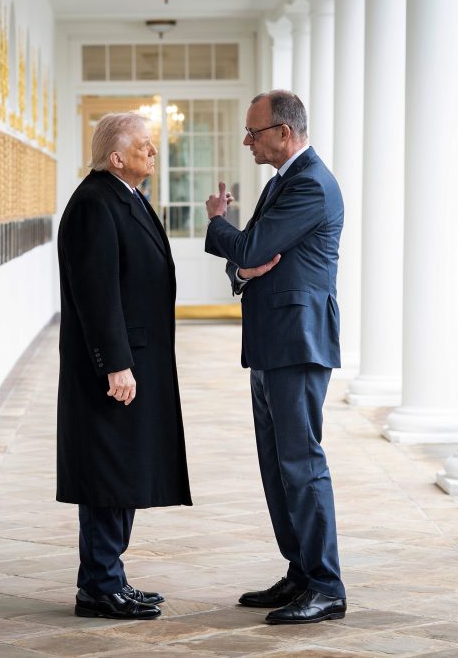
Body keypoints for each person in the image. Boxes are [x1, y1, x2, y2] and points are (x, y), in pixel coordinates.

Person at [204, 90, 346, 625]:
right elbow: (248, 262)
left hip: (298, 342)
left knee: (302, 465)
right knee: (276, 465)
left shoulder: (309, 183)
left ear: (284, 132)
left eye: (254, 132)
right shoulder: (282, 182)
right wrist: (242, 266)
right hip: (272, 343)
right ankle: (300, 571)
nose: (247, 141)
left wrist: (219, 222)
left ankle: (327, 585)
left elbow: (249, 248)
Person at [56, 112, 192, 621]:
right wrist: (116, 365)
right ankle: (98, 585)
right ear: (117, 157)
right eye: (145, 146)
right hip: (115, 368)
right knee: (108, 473)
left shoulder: (124, 196)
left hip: (137, 359)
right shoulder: (95, 203)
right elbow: (97, 295)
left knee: (123, 470)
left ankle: (109, 577)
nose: (153, 152)